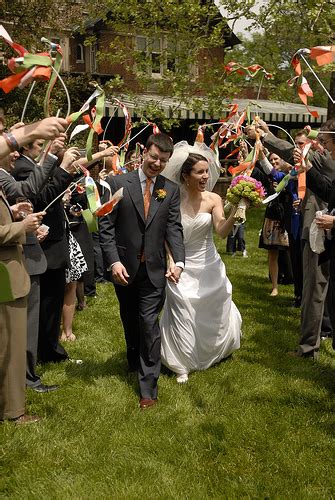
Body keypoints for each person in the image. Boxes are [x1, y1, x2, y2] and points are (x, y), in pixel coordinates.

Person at [99, 133, 185, 409]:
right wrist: (113, 262)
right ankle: (133, 357)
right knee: (130, 318)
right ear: (143, 153)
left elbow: (174, 228)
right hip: (124, 267)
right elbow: (106, 227)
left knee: (149, 324)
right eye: (154, 157)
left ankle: (148, 387)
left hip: (154, 269)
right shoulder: (116, 183)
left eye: (163, 160)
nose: (157, 164)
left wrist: (179, 262)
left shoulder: (169, 190)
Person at [159, 141, 242, 383]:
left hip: (209, 265)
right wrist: (171, 262)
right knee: (181, 305)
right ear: (185, 176)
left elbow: (222, 231)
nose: (206, 176)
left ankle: (214, 350)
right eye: (200, 172)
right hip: (181, 263)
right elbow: (166, 236)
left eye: (207, 171)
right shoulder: (171, 199)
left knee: (211, 308)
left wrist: (236, 211)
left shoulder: (214, 199)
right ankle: (181, 362)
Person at [0, 186, 45, 423]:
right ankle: (13, 412)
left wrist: (12, 211)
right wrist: (21, 227)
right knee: (12, 346)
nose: (14, 154)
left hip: (8, 275)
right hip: (5, 277)